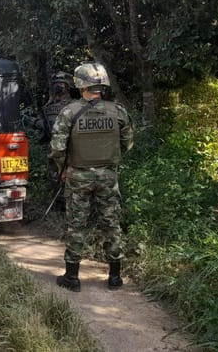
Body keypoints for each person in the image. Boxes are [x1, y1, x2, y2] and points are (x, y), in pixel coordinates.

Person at [50, 62, 133, 292]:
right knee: (111, 223)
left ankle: (72, 277)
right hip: (108, 175)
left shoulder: (69, 112)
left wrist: (63, 168)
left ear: (80, 84)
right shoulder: (117, 111)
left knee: (77, 224)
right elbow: (127, 143)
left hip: (78, 175)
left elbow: (57, 148)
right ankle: (115, 277)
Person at [40, 71, 75, 142]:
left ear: (68, 86)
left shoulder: (75, 105)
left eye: (61, 83)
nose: (57, 86)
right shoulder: (47, 106)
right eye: (55, 84)